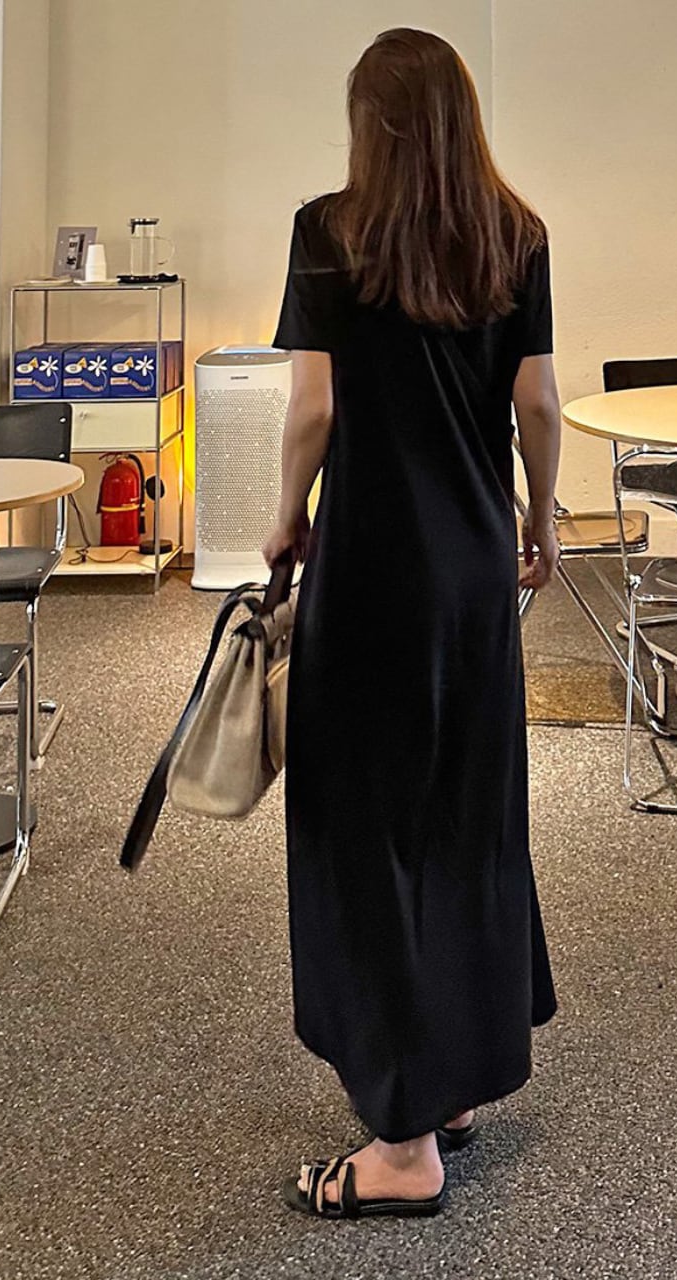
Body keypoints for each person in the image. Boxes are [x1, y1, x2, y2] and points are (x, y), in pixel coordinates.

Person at [262, 26, 562, 1220]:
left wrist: (283, 518)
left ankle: (399, 1146)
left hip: (373, 568)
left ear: (366, 124)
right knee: (465, 815)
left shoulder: (328, 231)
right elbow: (537, 400)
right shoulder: (514, 232)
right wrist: (541, 518)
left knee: (366, 830)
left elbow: (312, 409)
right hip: (474, 568)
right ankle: (452, 1079)